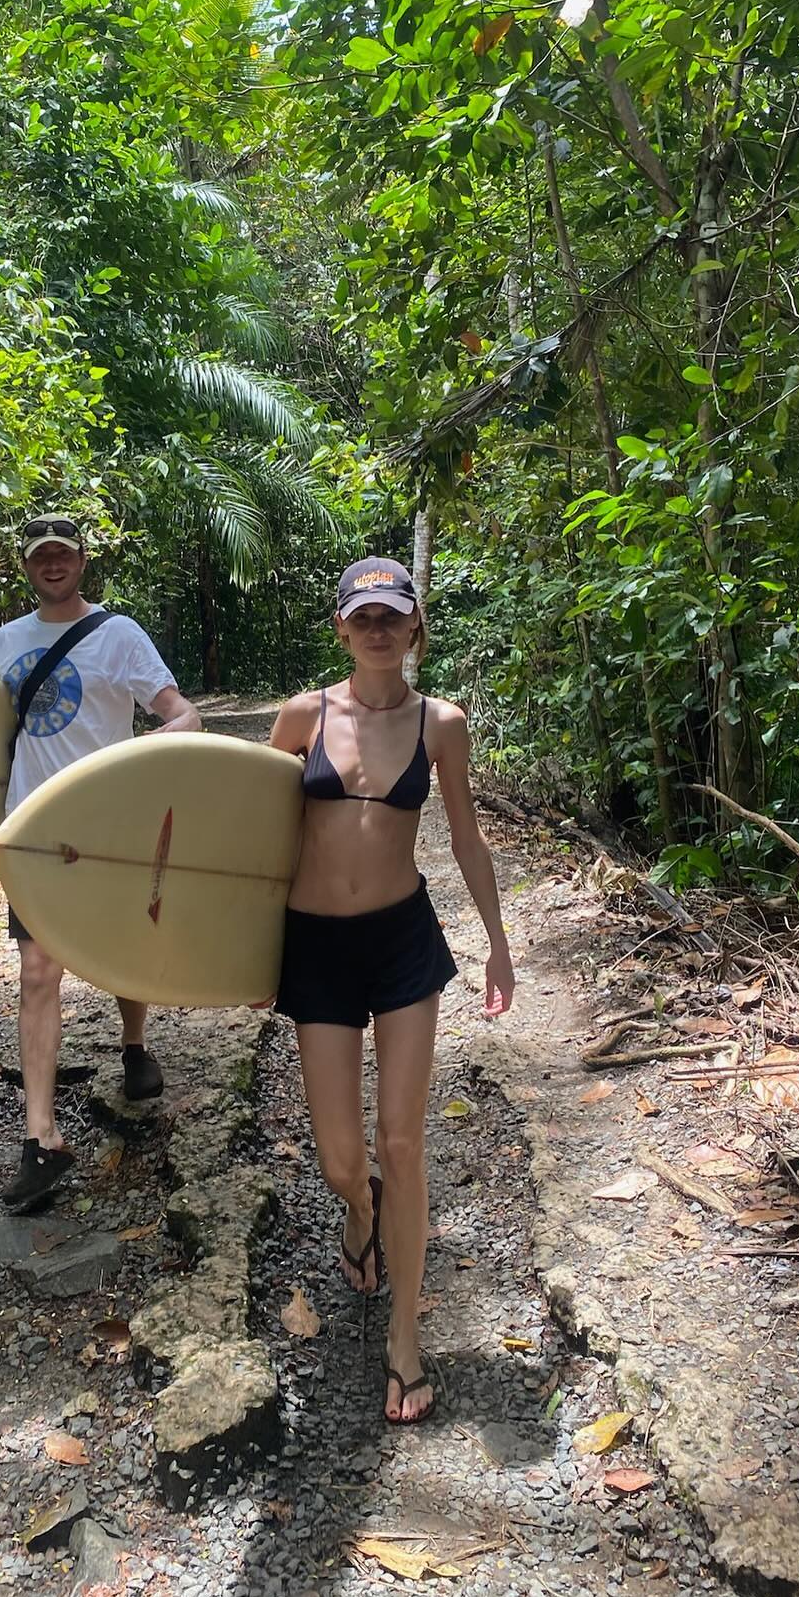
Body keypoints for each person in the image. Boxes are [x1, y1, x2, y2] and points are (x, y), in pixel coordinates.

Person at [267, 557, 514, 1425]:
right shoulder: (302, 716)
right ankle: (359, 1208)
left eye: (392, 616)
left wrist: (498, 943)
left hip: (403, 940)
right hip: (317, 947)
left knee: (401, 1141)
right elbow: (251, 837)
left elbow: (467, 838)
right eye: (362, 617)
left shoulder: (441, 723)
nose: (378, 630)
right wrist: (238, 954)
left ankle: (404, 1343)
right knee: (344, 1160)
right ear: (342, 628)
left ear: (415, 628)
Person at [0, 513, 201, 1210]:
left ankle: (134, 1045)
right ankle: (41, 1138)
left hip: (106, 827)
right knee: (37, 971)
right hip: (32, 832)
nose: (53, 565)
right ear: (26, 566)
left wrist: (144, 759)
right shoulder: (5, 642)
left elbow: (182, 714)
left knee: (121, 947)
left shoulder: (118, 634)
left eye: (63, 555)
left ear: (82, 561)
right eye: (40, 556)